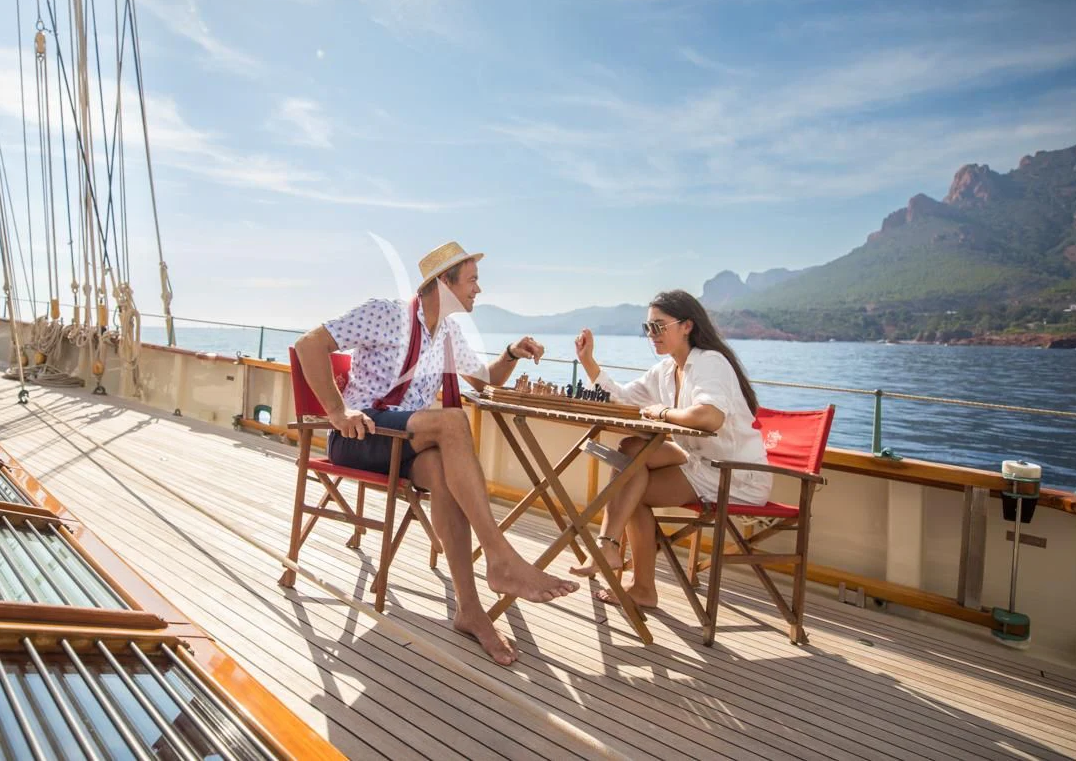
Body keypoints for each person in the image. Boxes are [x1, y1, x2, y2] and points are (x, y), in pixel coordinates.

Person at [294, 241, 578, 665]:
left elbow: (485, 381)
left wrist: (512, 354)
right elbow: (308, 345)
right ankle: (501, 557)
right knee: (452, 421)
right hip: (359, 437)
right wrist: (337, 410)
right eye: (472, 281)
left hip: (402, 444)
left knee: (447, 471)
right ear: (443, 283)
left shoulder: (447, 334)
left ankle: (469, 609)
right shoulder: (386, 313)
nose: (478, 290)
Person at [570, 289, 767, 612]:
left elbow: (709, 416)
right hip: (700, 460)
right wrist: (588, 362)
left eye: (659, 326)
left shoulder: (710, 362)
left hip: (734, 473)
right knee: (630, 448)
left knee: (633, 485)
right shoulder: (665, 371)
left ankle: (625, 566)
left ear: (687, 326)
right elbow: (621, 399)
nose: (652, 335)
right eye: (648, 328)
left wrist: (661, 412)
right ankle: (614, 554)